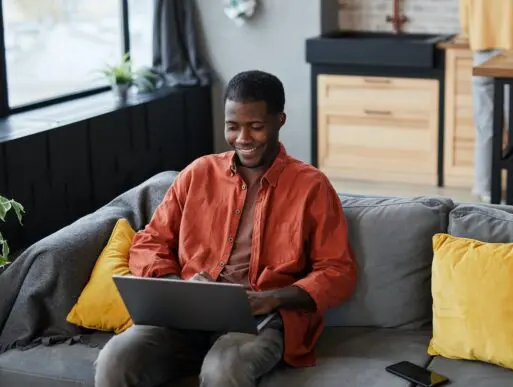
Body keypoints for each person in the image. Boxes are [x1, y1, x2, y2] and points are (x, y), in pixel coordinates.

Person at [94, 70, 358, 387]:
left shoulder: (312, 186)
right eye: (233, 127)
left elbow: (337, 271)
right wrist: (181, 284)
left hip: (260, 319)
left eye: (256, 127)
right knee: (117, 358)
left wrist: (272, 298)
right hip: (186, 314)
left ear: (280, 120)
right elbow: (148, 243)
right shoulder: (198, 174)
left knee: (223, 371)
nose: (243, 138)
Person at [460, 0, 513, 201]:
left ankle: (484, 187)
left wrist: (477, 34)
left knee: (485, 126)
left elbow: (465, 21)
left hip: (481, 51)